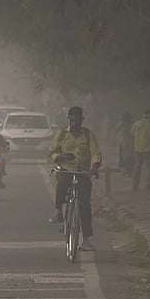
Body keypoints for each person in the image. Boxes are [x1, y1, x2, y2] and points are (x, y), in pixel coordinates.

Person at [48, 106, 102, 252]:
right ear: (68, 119)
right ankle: (58, 210)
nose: (74, 123)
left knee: (85, 205)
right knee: (62, 185)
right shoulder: (61, 135)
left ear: (82, 120)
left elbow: (95, 153)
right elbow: (52, 152)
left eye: (77, 120)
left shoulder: (89, 135)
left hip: (83, 172)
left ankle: (86, 239)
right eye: (71, 120)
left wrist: (95, 166)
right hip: (66, 169)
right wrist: (60, 157)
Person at [131, 109, 150, 190]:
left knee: (137, 167)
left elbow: (132, 134)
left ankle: (135, 185)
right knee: (149, 166)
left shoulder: (136, 123)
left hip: (137, 148)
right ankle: (149, 184)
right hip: (147, 149)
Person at [115, 112, 135, 176]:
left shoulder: (122, 124)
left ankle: (126, 170)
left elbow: (117, 129)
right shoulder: (132, 123)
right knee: (130, 157)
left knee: (125, 157)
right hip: (130, 143)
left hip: (124, 143)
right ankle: (129, 171)